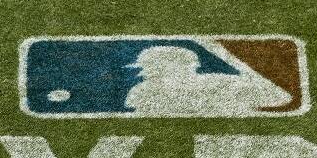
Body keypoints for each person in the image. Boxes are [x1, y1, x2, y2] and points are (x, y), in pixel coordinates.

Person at [123, 45, 290, 116]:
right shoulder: (142, 90)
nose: (144, 71)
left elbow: (279, 98)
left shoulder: (224, 83)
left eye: (152, 66)